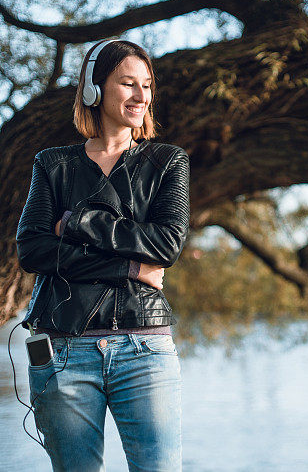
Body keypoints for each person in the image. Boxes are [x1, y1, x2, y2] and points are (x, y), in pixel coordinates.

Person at [15, 38, 190, 472]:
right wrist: (130, 265)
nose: (141, 96)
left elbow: (166, 244)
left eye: (146, 85)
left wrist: (75, 224)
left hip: (144, 346)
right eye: (128, 83)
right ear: (94, 88)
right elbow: (33, 249)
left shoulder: (168, 162)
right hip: (60, 348)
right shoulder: (52, 163)